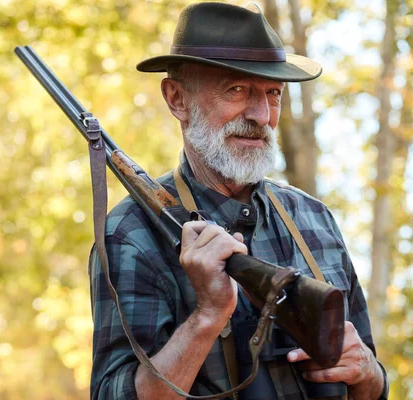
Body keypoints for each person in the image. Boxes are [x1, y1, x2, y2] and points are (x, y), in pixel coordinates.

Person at [89, 2, 388, 399]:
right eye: (237, 89)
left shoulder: (314, 218)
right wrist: (208, 316)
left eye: (272, 93)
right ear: (177, 99)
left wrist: (368, 373)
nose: (261, 114)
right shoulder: (131, 233)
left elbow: (371, 383)